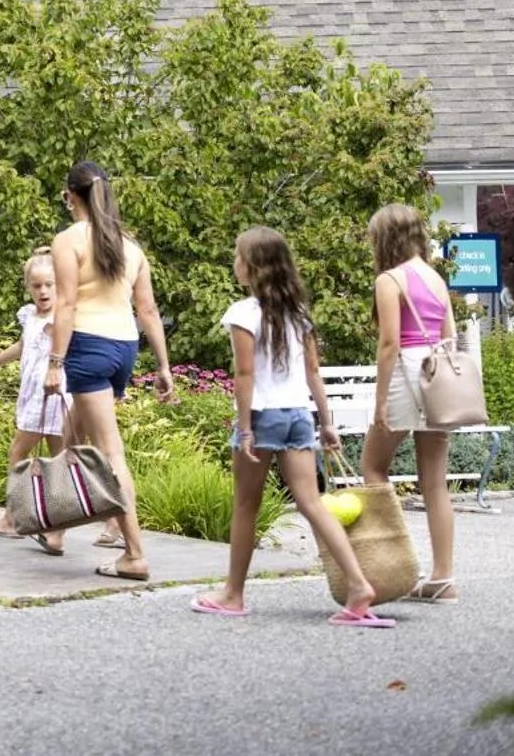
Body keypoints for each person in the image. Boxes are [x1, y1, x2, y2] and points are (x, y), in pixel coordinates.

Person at [193, 227, 392, 627]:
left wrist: (245, 428)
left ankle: (233, 593)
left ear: (253, 267)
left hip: (264, 416)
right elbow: (313, 373)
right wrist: (327, 423)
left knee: (246, 505)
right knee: (311, 502)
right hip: (298, 415)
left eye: (238, 256)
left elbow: (245, 375)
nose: (235, 263)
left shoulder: (243, 314)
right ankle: (357, 585)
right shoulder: (298, 315)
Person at [46, 160, 175, 581]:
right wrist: (163, 365)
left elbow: (65, 305)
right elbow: (149, 310)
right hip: (123, 348)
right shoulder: (130, 246)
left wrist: (54, 363)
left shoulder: (68, 241)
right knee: (71, 438)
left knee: (110, 452)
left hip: (88, 345)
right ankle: (55, 530)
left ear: (71, 196)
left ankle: (134, 554)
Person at [362, 202, 459, 603]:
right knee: (435, 483)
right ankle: (443, 578)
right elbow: (450, 335)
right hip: (437, 374)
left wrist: (380, 402)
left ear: (385, 239)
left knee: (372, 467)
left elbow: (389, 344)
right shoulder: (435, 278)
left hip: (406, 372)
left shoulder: (390, 279)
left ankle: (394, 568)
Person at [0, 247, 72, 552]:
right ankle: (54, 532)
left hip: (51, 392)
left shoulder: (62, 316)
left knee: (21, 451)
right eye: (37, 285)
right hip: (34, 394)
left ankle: (14, 517)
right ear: (28, 287)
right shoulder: (30, 315)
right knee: (56, 459)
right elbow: (22, 347)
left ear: (59, 284)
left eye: (49, 284)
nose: (43, 291)